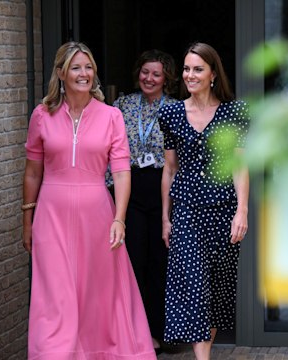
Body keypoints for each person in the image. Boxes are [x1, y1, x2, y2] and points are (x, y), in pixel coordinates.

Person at [21, 41, 156, 360]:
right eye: (76, 67)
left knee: (97, 295)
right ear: (61, 73)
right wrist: (27, 218)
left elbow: (122, 173)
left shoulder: (111, 116)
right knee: (55, 297)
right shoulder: (41, 115)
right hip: (51, 216)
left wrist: (119, 218)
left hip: (99, 216)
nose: (84, 73)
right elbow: (31, 173)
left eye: (88, 67)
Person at [159, 42, 250, 360]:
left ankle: (204, 354)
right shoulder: (170, 112)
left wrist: (242, 210)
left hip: (223, 212)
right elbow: (170, 169)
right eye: (186, 69)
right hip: (185, 213)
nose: (190, 75)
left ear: (213, 74)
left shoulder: (233, 113)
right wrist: (165, 218)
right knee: (195, 287)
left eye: (198, 69)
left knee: (215, 293)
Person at [106, 49, 179, 353]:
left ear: (167, 79)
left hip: (162, 187)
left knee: (160, 263)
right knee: (133, 261)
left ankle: (161, 332)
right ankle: (134, 334)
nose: (149, 78)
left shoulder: (176, 109)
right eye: (145, 72)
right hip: (130, 188)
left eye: (156, 74)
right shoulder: (121, 105)